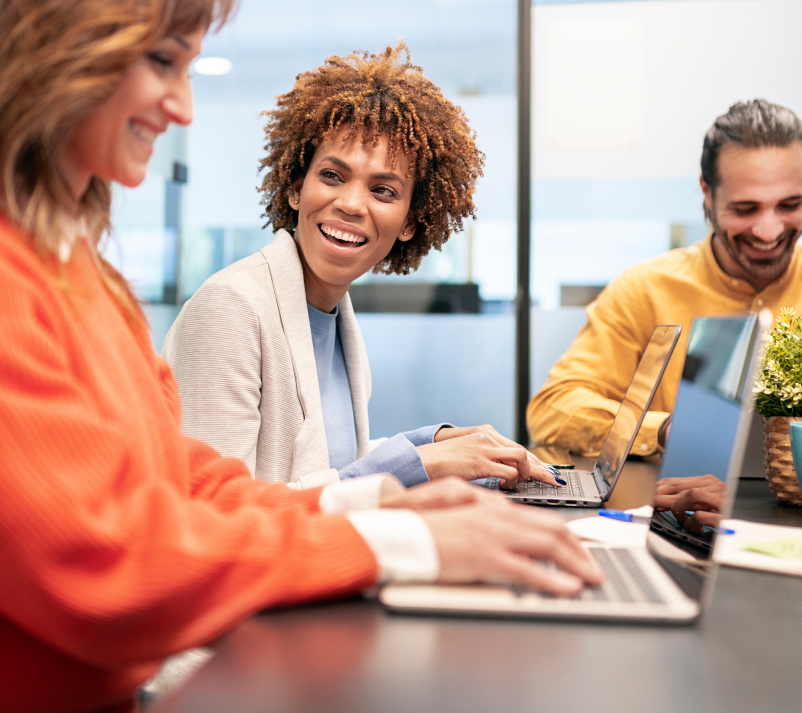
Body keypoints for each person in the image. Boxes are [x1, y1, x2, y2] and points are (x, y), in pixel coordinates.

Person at [0, 0, 599, 713]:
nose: (184, 106)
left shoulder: (79, 273)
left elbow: (176, 477)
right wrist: (395, 538)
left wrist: (375, 497)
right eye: (162, 63)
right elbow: (102, 566)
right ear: (53, 49)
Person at [162, 44, 560, 491]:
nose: (350, 204)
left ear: (410, 221)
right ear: (296, 190)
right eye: (331, 175)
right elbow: (215, 511)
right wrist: (423, 462)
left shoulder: (332, 315)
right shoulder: (230, 308)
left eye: (383, 190)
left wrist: (441, 442)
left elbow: (327, 463)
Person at [528, 99, 802, 457]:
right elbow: (556, 408)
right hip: (680, 518)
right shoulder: (641, 292)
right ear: (707, 192)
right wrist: (668, 431)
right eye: (746, 209)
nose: (770, 231)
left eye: (790, 204)